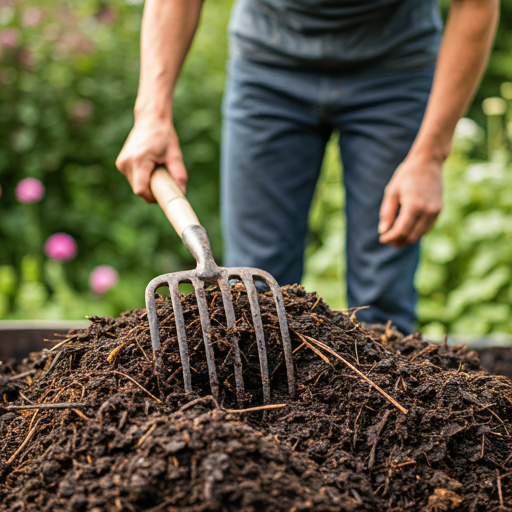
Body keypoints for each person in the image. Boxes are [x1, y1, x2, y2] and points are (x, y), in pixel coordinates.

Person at [116, 0, 499, 335]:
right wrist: (152, 114)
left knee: (383, 302)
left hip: (394, 70)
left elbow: (477, 5)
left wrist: (429, 155)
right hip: (269, 65)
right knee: (255, 299)